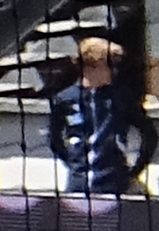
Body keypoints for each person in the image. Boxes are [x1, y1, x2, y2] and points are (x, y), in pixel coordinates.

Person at [45, 35, 143, 197]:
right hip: (78, 183)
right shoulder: (66, 98)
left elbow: (148, 133)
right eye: (110, 66)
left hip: (113, 182)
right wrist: (73, 162)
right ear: (93, 66)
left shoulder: (120, 98)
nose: (114, 71)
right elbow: (54, 138)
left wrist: (134, 169)